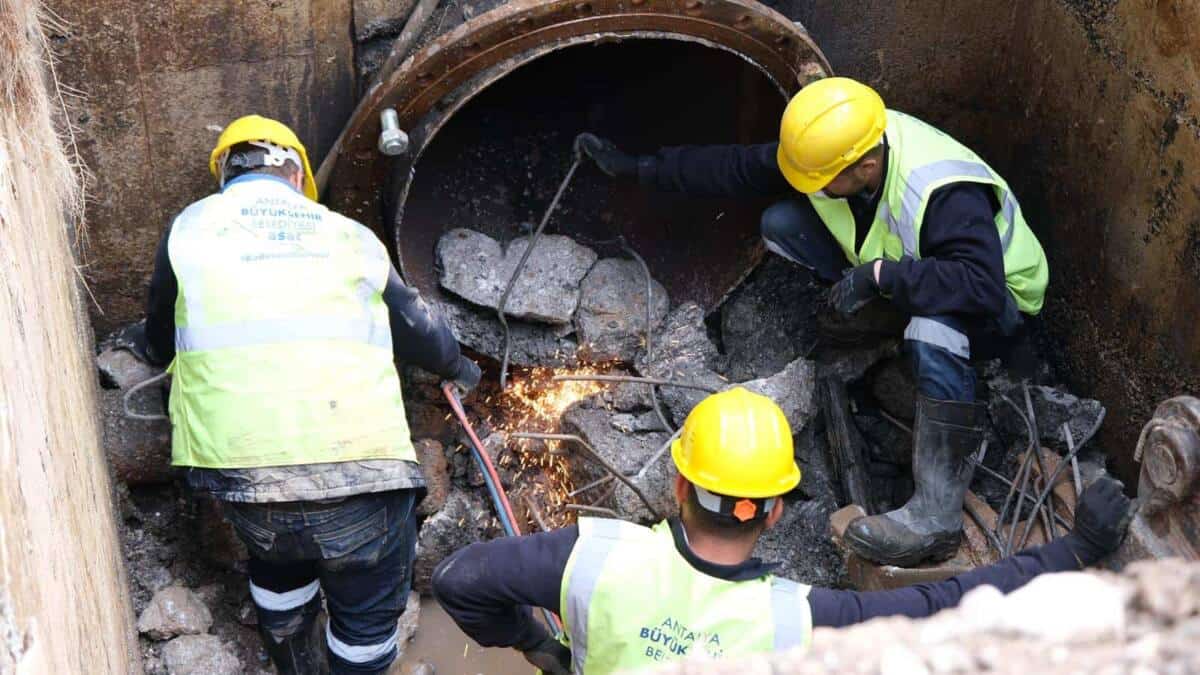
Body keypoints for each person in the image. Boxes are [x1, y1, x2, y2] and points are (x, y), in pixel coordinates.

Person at [574, 77, 1051, 567]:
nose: (815, 188)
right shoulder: (836, 151)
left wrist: (879, 276)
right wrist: (638, 168)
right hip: (912, 270)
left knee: (933, 325)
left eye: (824, 182)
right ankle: (883, 327)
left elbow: (982, 286)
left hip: (997, 307)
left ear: (865, 167)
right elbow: (737, 169)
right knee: (782, 224)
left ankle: (935, 519)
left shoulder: (942, 192)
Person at [432, 388, 1130, 674]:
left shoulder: (592, 555)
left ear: (678, 485)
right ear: (773, 510)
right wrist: (1078, 547)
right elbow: (948, 604)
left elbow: (457, 581)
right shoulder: (798, 618)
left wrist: (539, 647)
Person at [138, 114, 479, 674]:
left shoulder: (191, 229)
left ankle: (291, 655)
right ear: (297, 175)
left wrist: (147, 352)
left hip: (239, 476)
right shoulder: (347, 236)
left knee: (278, 555)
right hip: (362, 475)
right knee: (366, 617)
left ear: (225, 171)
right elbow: (418, 331)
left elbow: (158, 334)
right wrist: (460, 368)